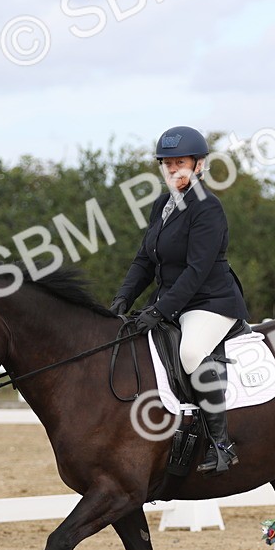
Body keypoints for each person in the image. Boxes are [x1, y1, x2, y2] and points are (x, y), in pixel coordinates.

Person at [112, 126, 249, 474]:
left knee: (190, 352)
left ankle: (221, 445)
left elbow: (197, 270)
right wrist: (123, 299)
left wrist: (160, 310)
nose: (174, 170)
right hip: (175, 302)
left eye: (181, 163)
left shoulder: (208, 208)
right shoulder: (163, 204)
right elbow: (146, 259)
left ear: (199, 165)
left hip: (210, 302)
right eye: (168, 164)